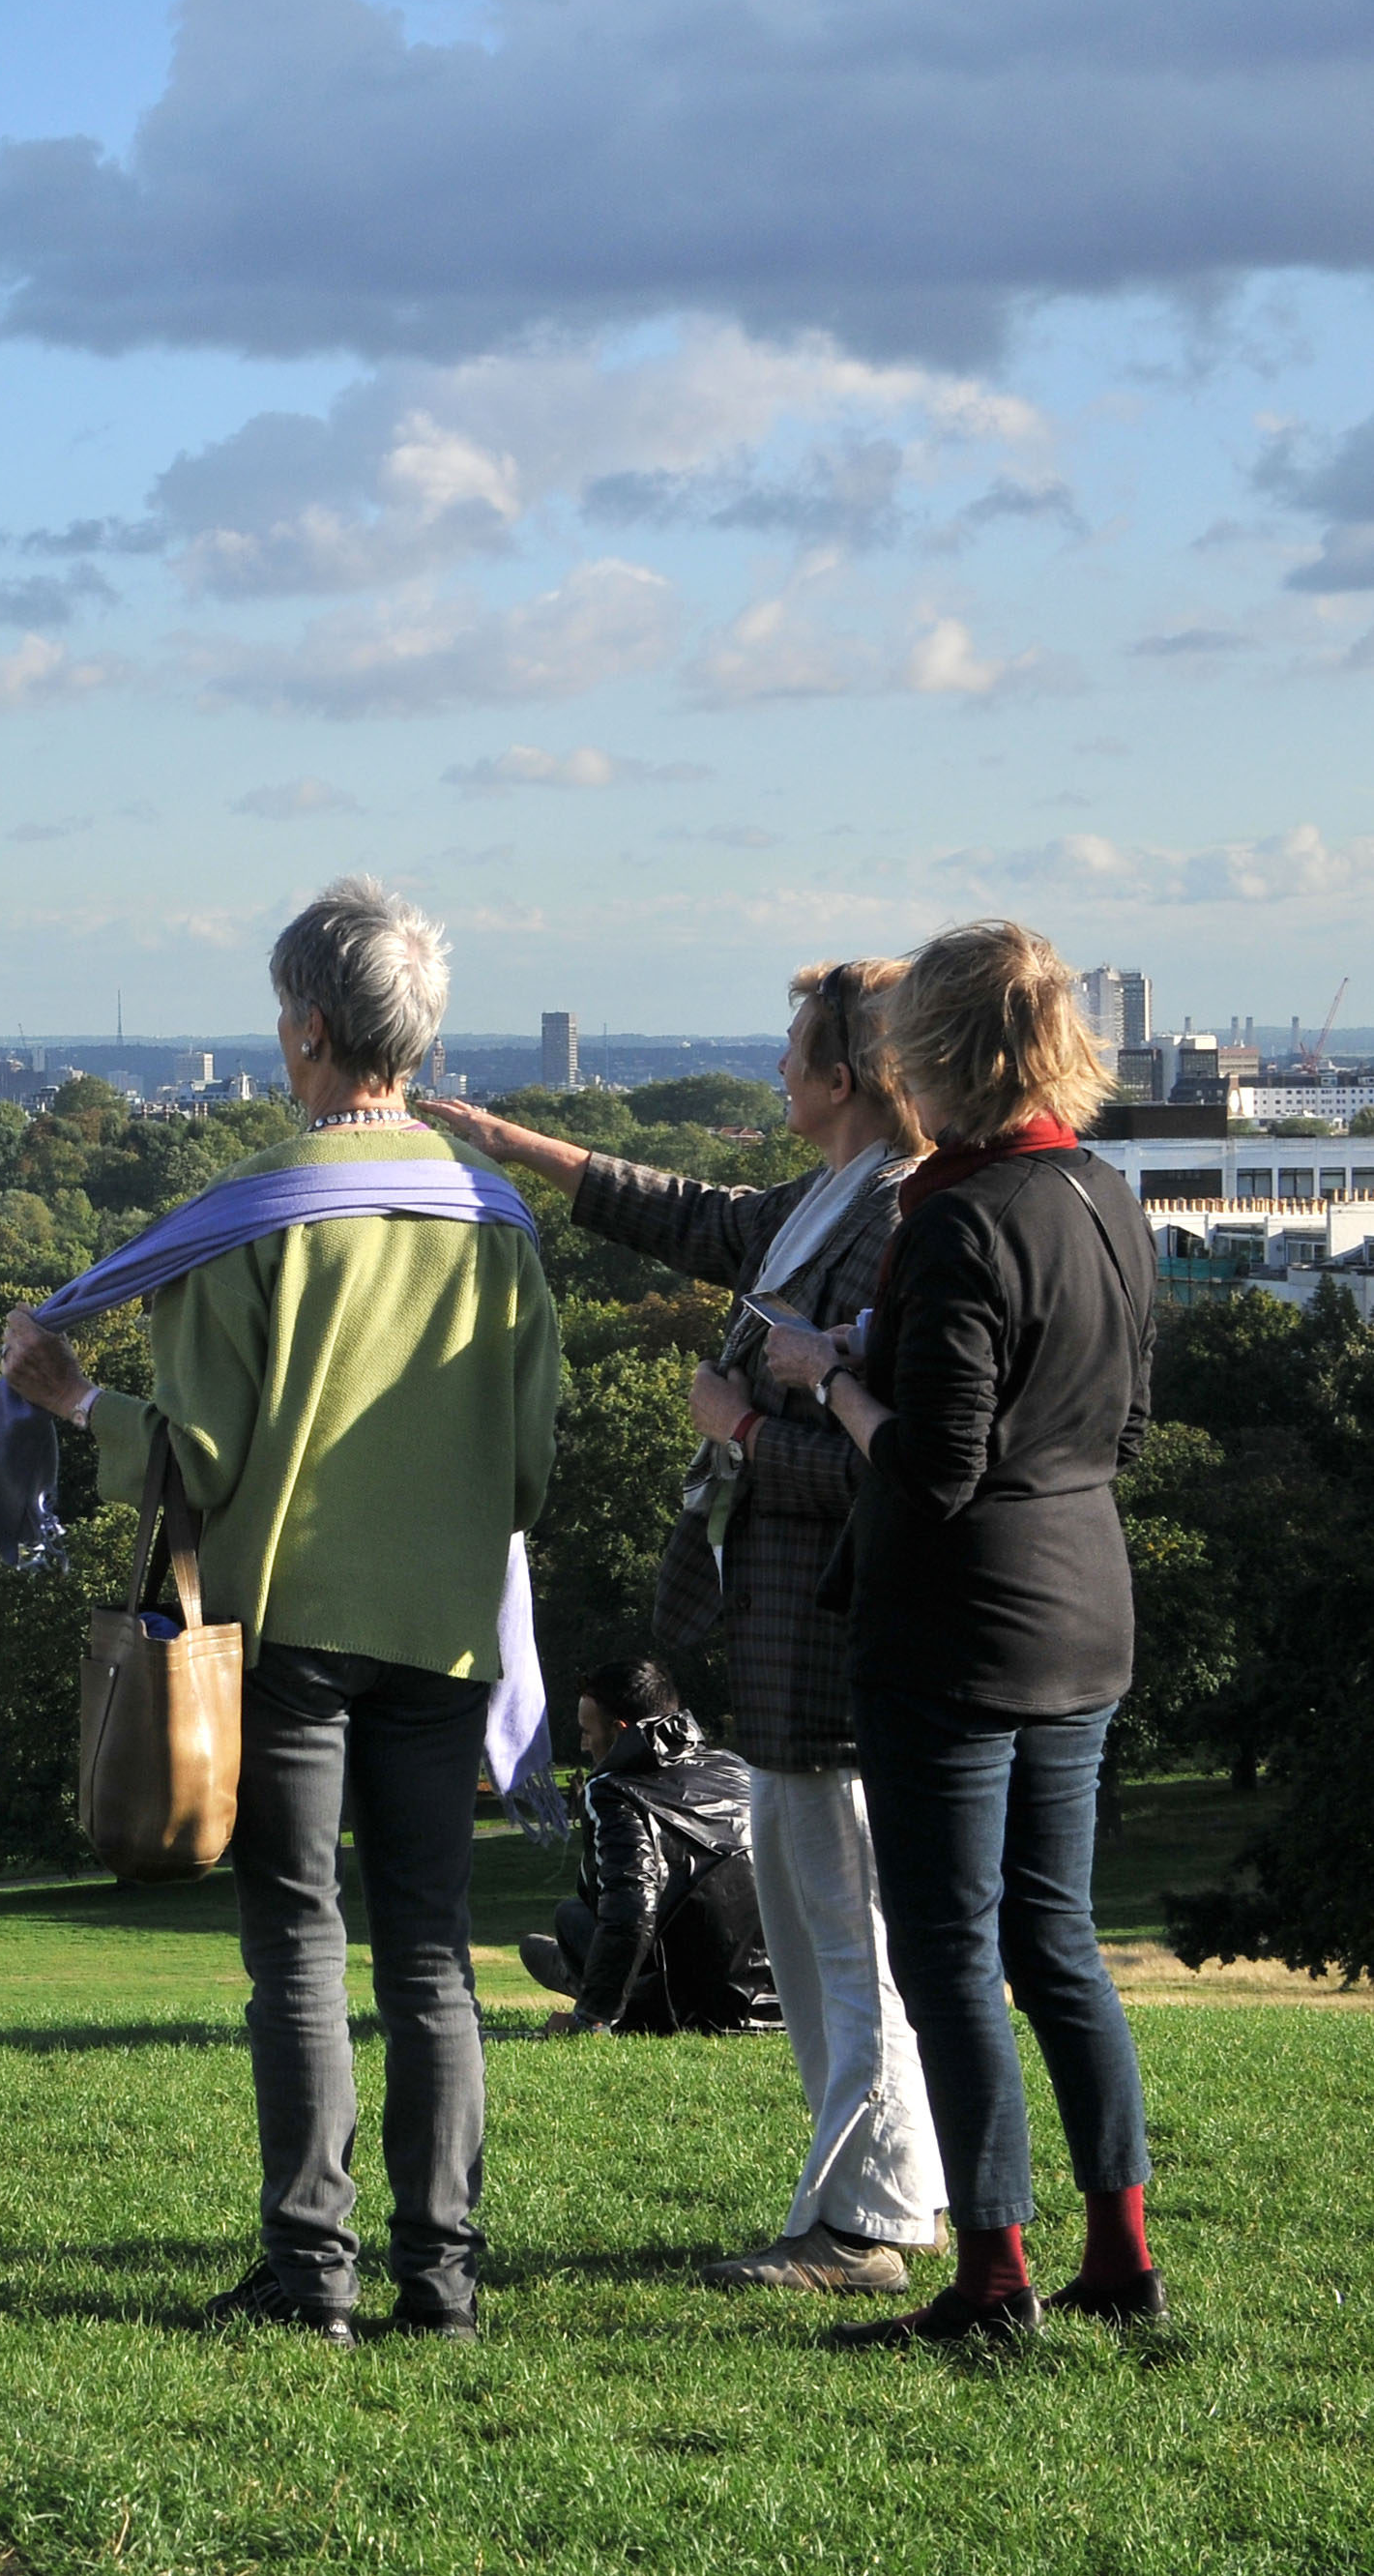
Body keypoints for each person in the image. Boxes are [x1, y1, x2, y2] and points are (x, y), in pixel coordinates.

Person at [0, 877, 559, 2345]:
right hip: (443, 1628)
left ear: (306, 1028)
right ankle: (444, 2280)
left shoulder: (254, 1217)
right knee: (430, 1953)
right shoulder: (494, 1223)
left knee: (296, 1946)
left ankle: (309, 2269)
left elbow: (196, 1457)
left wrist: (72, 1401)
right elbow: (529, 1464)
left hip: (287, 1629)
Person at [431, 958, 948, 2295]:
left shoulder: (894, 1218)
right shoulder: (827, 1200)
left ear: (842, 1076)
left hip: (830, 1635)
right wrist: (500, 1138)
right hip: (782, 1634)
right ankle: (863, 2205)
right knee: (820, 1921)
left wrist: (740, 1428)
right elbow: (678, 1212)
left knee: (844, 1934)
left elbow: (888, 1466)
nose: (775, 1066)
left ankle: (872, 2223)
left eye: (791, 1049)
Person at [772, 920, 1160, 2350]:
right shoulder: (1102, 1192)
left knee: (944, 1951)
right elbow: (1116, 1417)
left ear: (924, 1052)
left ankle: (992, 2276)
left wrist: (825, 1379)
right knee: (1054, 1937)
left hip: (949, 1621)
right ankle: (1118, 2254)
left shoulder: (951, 1215)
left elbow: (926, 1465)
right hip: (1082, 1601)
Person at [523, 1660, 775, 2037]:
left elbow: (631, 1910)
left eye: (587, 1731)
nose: (583, 1744)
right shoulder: (734, 1767)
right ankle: (583, 1975)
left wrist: (591, 2018)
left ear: (620, 1731)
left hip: (692, 2006)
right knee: (543, 1946)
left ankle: (594, 1989)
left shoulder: (614, 1790)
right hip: (778, 1997)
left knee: (568, 1918)